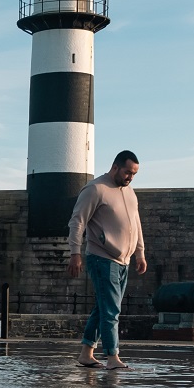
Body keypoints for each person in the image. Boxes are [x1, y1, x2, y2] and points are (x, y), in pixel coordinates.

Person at [67, 150, 148, 370]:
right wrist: (75, 252)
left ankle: (86, 353)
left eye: (134, 174)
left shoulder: (130, 193)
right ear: (115, 167)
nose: (130, 177)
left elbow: (136, 224)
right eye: (127, 172)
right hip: (102, 258)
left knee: (103, 307)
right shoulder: (95, 189)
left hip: (125, 260)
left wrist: (139, 253)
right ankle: (113, 357)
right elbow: (77, 222)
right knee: (112, 309)